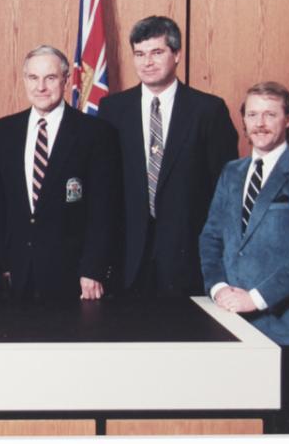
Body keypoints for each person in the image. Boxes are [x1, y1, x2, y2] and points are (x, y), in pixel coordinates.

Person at [199, 82, 289, 427]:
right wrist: (219, 289)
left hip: (285, 327)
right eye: (252, 114)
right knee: (235, 426)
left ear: (288, 119)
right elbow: (211, 237)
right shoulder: (231, 172)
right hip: (229, 321)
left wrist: (255, 299)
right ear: (243, 120)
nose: (259, 123)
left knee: (283, 427)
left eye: (270, 114)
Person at [98, 15, 238, 296]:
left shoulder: (208, 110)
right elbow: (104, 187)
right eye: (139, 54)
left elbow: (225, 191)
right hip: (127, 257)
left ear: (177, 55)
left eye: (156, 52)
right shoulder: (113, 109)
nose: (147, 62)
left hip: (188, 255)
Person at [0, 45, 120, 301]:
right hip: (17, 272)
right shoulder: (4, 130)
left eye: (50, 78)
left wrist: (92, 269)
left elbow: (104, 210)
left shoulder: (95, 133)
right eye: (33, 78)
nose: (41, 87)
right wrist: (1, 264)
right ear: (24, 80)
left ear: (66, 80)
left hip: (73, 274)